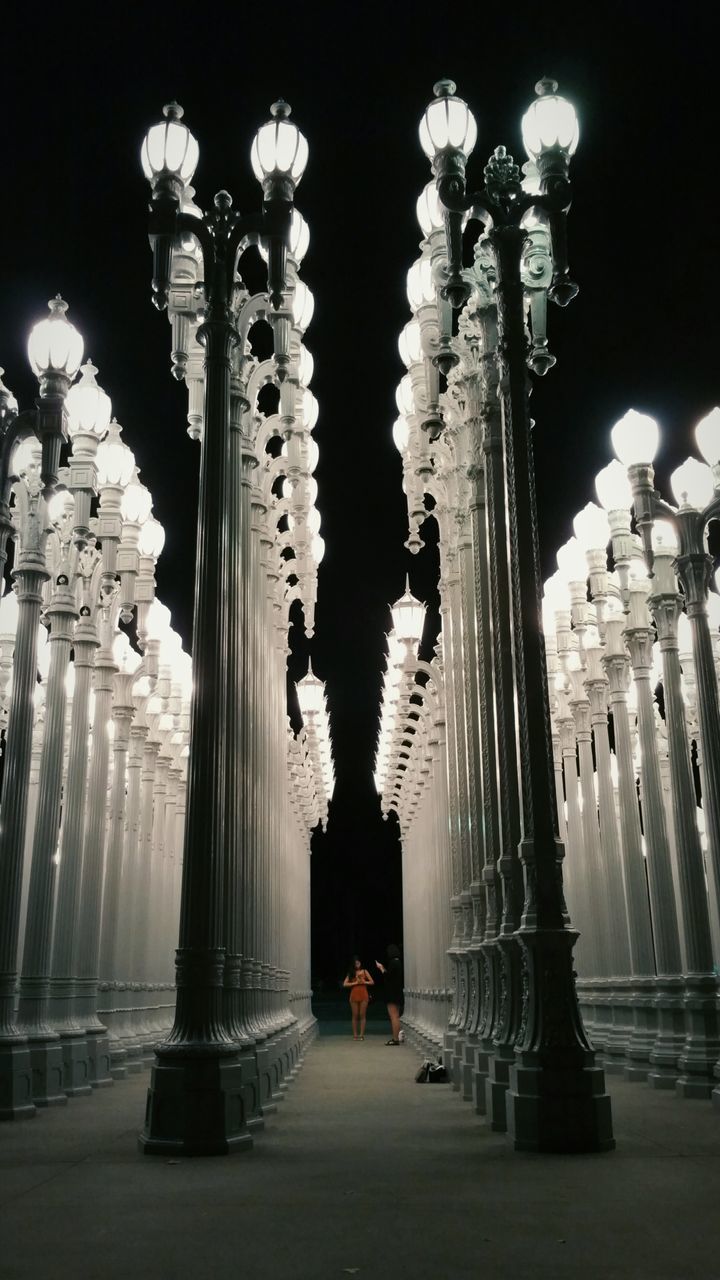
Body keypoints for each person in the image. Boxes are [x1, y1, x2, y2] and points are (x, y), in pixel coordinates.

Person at [375, 944, 404, 1045]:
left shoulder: (392, 963)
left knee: (393, 1016)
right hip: (398, 991)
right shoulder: (398, 962)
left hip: (391, 993)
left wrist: (381, 968)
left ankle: (395, 1039)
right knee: (396, 1015)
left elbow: (388, 977)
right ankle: (397, 1037)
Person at [343, 956, 374, 1041]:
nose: (357, 964)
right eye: (356, 963)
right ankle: (355, 1035)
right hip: (354, 994)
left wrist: (364, 982)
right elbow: (345, 984)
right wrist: (355, 983)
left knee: (362, 1014)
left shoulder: (364, 971)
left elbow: (372, 982)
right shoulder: (351, 973)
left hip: (364, 994)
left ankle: (361, 1035)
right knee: (355, 1015)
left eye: (358, 963)